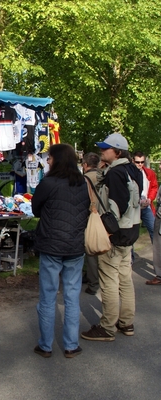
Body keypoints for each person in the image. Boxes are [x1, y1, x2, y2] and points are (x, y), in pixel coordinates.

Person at [81, 133, 142, 341]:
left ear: (117, 151)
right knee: (125, 280)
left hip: (116, 234)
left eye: (105, 149)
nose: (101, 151)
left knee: (109, 281)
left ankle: (107, 327)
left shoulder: (115, 173)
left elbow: (117, 204)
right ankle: (126, 322)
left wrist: (108, 230)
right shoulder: (134, 170)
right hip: (131, 230)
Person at [31, 143, 90, 358]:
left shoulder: (48, 182)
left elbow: (35, 208)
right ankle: (71, 345)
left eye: (50, 157)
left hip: (51, 245)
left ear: (57, 159)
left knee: (47, 297)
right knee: (72, 297)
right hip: (74, 246)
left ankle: (46, 346)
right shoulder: (82, 182)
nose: (47, 160)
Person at [82, 152, 101, 295]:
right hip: (105, 217)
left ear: (85, 165)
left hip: (91, 217)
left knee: (91, 251)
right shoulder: (103, 176)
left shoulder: (85, 179)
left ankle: (93, 283)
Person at [132, 151, 157, 243]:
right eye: (138, 162)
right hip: (133, 207)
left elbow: (154, 187)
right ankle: (131, 257)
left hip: (146, 206)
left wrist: (150, 199)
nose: (140, 164)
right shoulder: (128, 173)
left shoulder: (149, 173)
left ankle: (158, 254)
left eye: (142, 162)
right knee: (131, 234)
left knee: (154, 230)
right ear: (133, 161)